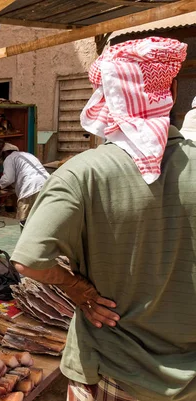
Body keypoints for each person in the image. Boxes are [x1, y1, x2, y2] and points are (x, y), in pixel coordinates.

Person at [11, 37, 194, 401]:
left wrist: (77, 288)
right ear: (170, 89)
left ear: (106, 95)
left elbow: (28, 261)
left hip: (112, 372)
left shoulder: (83, 173)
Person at [0, 143, 49, 222]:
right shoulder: (28, 155)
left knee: (22, 219)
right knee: (41, 217)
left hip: (31, 187)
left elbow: (8, 179)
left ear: (5, 153)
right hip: (47, 183)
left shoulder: (9, 158)